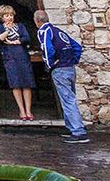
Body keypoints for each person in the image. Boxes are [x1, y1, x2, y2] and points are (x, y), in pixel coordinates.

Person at [35, 9, 89, 143]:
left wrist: (49, 64)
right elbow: (76, 47)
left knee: (67, 99)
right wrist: (72, 60)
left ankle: (78, 131)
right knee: (68, 98)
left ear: (37, 21)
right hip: (69, 68)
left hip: (60, 69)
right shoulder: (59, 31)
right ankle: (71, 128)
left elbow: (48, 49)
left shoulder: (44, 31)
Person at [0, 5, 35, 120]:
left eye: (11, 15)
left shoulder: (20, 26)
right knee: (15, 84)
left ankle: (28, 111)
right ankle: (21, 111)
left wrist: (18, 41)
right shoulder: (0, 27)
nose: (10, 18)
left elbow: (26, 37)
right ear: (2, 17)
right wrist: (7, 30)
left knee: (27, 84)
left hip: (22, 57)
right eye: (7, 15)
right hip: (10, 58)